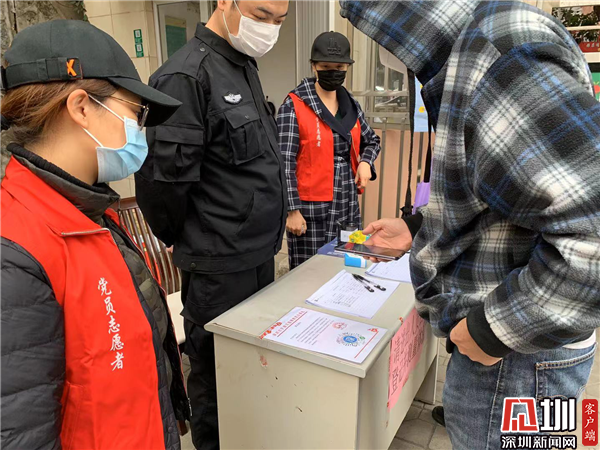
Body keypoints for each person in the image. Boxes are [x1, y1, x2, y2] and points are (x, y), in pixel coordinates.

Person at [341, 1, 600, 448]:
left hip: (517, 359)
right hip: (527, 351)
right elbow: (513, 196)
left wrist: (491, 330)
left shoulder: (497, 56)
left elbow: (592, 232)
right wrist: (417, 227)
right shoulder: (499, 35)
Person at [0, 20, 189, 450]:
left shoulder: (87, 211)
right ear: (81, 107)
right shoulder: (16, 250)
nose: (140, 128)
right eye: (136, 112)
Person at [134, 1, 289, 448]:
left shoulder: (243, 65)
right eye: (261, 14)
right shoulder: (185, 76)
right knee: (218, 381)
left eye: (279, 21)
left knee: (251, 372)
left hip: (257, 255)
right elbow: (163, 183)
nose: (269, 28)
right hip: (218, 264)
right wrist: (181, 237)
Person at [278, 31, 381, 269]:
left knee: (346, 262)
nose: (333, 72)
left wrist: (365, 162)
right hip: (311, 206)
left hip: (346, 200)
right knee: (309, 270)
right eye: (325, 66)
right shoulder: (294, 105)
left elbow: (372, 140)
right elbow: (283, 161)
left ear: (347, 68)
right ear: (314, 66)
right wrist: (291, 210)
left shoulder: (351, 105)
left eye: (339, 67)